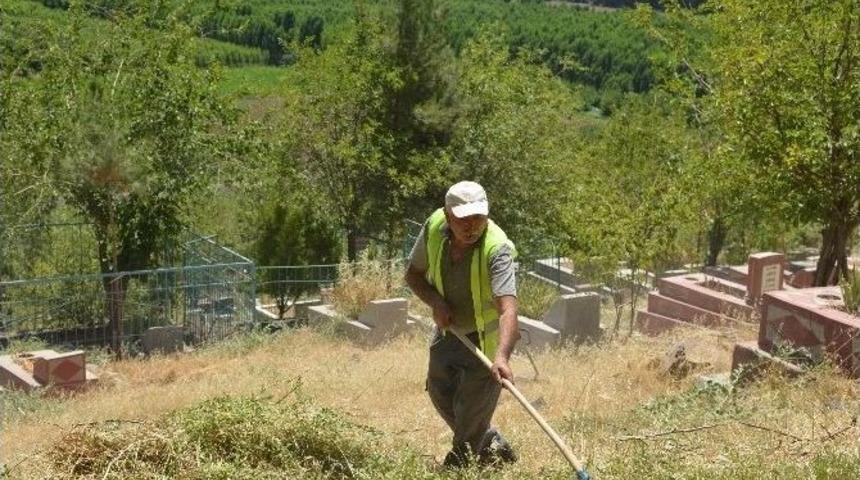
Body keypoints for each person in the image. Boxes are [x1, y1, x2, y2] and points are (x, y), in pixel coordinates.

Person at [404, 180, 519, 468]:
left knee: (470, 414)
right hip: (450, 332)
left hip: (486, 342)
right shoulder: (433, 227)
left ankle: (458, 465)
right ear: (447, 214)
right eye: (463, 219)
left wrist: (502, 357)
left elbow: (508, 310)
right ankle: (489, 440)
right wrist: (437, 303)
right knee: (440, 392)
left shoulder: (497, 248)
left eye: (478, 218)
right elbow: (413, 275)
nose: (472, 226)